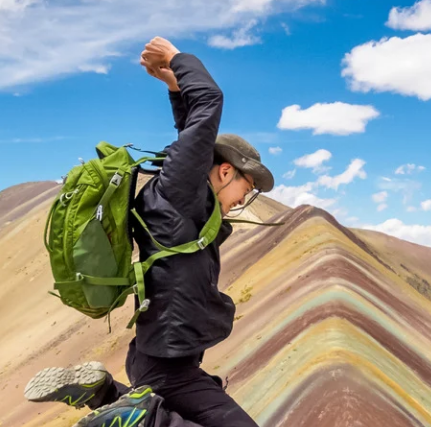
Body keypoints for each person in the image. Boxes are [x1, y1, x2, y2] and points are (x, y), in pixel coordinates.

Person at [24, 37, 275, 427]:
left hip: (160, 354)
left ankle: (104, 394)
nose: (246, 197)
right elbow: (209, 102)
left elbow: (190, 131)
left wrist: (175, 88)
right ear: (226, 171)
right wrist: (177, 58)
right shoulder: (182, 191)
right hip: (167, 361)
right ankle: (140, 421)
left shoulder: (184, 197)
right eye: (248, 186)